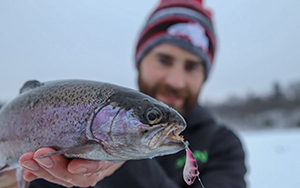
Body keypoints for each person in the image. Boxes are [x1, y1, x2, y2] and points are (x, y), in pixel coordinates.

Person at [16, 0, 247, 187]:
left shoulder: (224, 147)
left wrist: (123, 160)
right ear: (139, 60)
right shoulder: (56, 140)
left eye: (192, 66)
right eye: (164, 60)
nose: (176, 81)